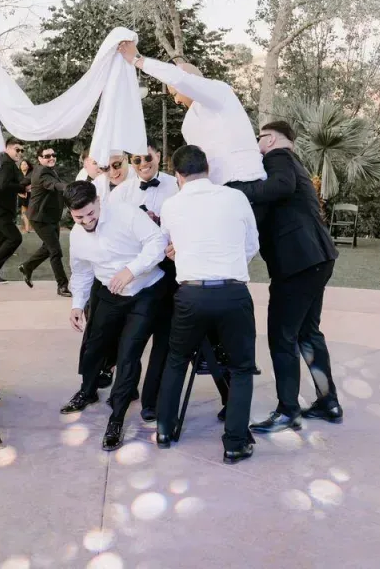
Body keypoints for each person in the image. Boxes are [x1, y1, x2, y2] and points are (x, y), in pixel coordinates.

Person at [232, 121, 343, 433]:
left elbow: (280, 187)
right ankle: (328, 402)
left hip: (297, 263)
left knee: (282, 337)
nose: (257, 145)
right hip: (316, 259)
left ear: (269, 139)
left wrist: (235, 189)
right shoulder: (293, 162)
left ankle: (288, 411)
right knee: (308, 333)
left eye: (259, 138)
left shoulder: (278, 157)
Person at [155, 145, 260, 465]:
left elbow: (171, 245)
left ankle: (164, 430)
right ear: (208, 169)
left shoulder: (171, 205)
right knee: (241, 368)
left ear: (177, 174)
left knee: (176, 360)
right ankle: (235, 443)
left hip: (191, 294)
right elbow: (251, 245)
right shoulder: (236, 198)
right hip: (232, 293)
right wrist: (228, 266)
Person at [59, 181, 167, 451]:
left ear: (98, 201)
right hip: (110, 292)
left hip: (145, 290)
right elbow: (82, 271)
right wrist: (77, 304)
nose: (87, 221)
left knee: (128, 354)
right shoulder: (77, 235)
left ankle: (116, 419)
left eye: (90, 213)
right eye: (79, 217)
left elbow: (157, 241)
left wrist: (131, 270)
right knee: (94, 344)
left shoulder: (126, 213)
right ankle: (87, 391)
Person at [118, 43, 266, 188]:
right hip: (215, 191)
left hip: (246, 182)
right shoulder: (188, 123)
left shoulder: (220, 93)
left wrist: (138, 59)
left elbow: (179, 79)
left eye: (175, 94)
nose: (176, 101)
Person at [110, 139, 178, 420]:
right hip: (137, 271)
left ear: (158, 155)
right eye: (137, 160)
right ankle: (124, 391)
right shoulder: (121, 192)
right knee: (131, 338)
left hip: (169, 270)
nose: (143, 164)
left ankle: (152, 401)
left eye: (147, 158)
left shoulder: (177, 185)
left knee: (164, 337)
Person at [19, 145, 71, 297]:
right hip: (40, 218)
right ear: (40, 158)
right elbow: (53, 185)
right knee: (55, 251)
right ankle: (62, 285)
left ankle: (27, 267)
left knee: (48, 248)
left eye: (53, 155)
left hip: (49, 217)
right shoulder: (42, 172)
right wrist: (70, 187)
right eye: (47, 156)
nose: (51, 158)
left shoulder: (45, 169)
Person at [0, 135, 28, 285]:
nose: (20, 153)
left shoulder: (5, 161)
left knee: (3, 239)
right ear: (7, 148)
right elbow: (5, 185)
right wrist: (22, 188)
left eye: (22, 151)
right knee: (15, 238)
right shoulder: (7, 162)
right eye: (17, 149)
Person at [18, 158, 33, 233]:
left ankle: (30, 227)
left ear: (28, 166)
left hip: (31, 195)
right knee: (24, 211)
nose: (23, 166)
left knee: (30, 211)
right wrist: (19, 193)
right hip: (21, 195)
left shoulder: (31, 174)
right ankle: (27, 228)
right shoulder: (18, 175)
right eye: (22, 164)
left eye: (25, 164)